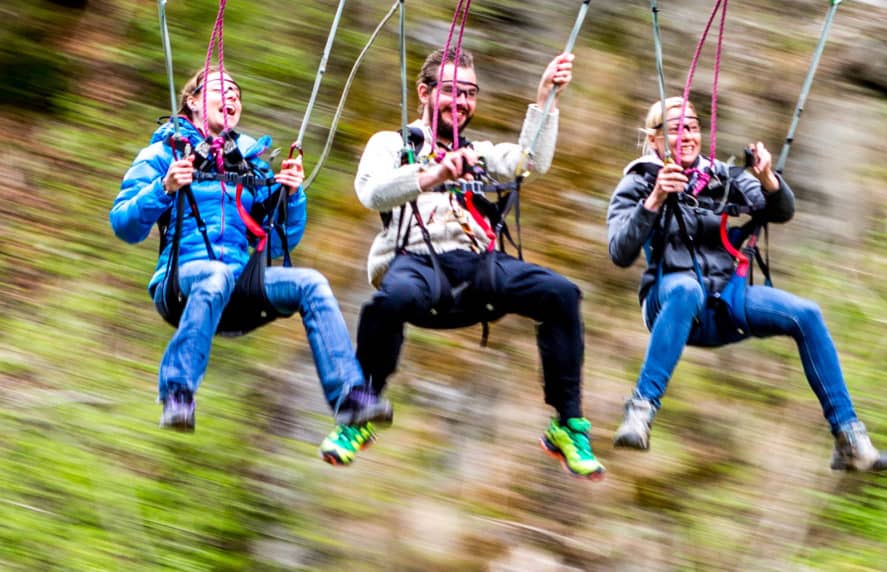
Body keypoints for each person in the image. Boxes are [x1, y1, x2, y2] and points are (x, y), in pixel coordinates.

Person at [111, 68, 390, 465]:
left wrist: (290, 197)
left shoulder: (251, 164)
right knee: (215, 275)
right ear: (192, 100)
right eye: (222, 90)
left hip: (242, 284)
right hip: (183, 283)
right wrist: (165, 187)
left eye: (237, 93)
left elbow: (278, 241)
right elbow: (124, 224)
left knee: (310, 282)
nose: (233, 98)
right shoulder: (162, 155)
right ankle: (177, 392)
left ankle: (350, 398)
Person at [350, 48, 604, 480]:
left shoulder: (477, 153)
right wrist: (432, 175)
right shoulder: (394, 144)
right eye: (451, 91)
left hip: (475, 265)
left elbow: (530, 162)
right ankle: (359, 409)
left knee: (560, 294)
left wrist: (546, 99)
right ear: (424, 92)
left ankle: (567, 424)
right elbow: (372, 193)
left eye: (470, 93)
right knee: (389, 302)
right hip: (414, 261)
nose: (462, 102)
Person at [606, 96, 887, 472]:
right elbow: (619, 251)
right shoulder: (640, 181)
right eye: (676, 129)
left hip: (727, 300)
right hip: (670, 301)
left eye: (692, 127)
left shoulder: (724, 178)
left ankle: (849, 437)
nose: (688, 136)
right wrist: (656, 198)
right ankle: (640, 411)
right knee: (686, 289)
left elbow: (781, 211)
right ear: (655, 140)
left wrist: (768, 179)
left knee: (807, 314)